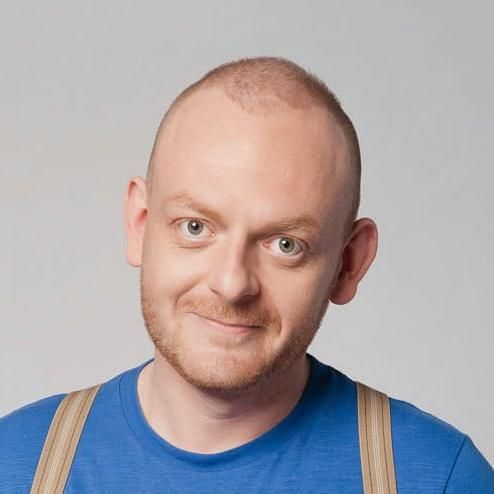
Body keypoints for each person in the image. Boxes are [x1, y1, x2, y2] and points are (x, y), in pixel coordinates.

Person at [1, 56, 493, 493]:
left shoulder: (437, 479)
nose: (232, 283)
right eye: (195, 227)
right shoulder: (13, 467)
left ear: (349, 264)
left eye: (285, 245)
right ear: (140, 224)